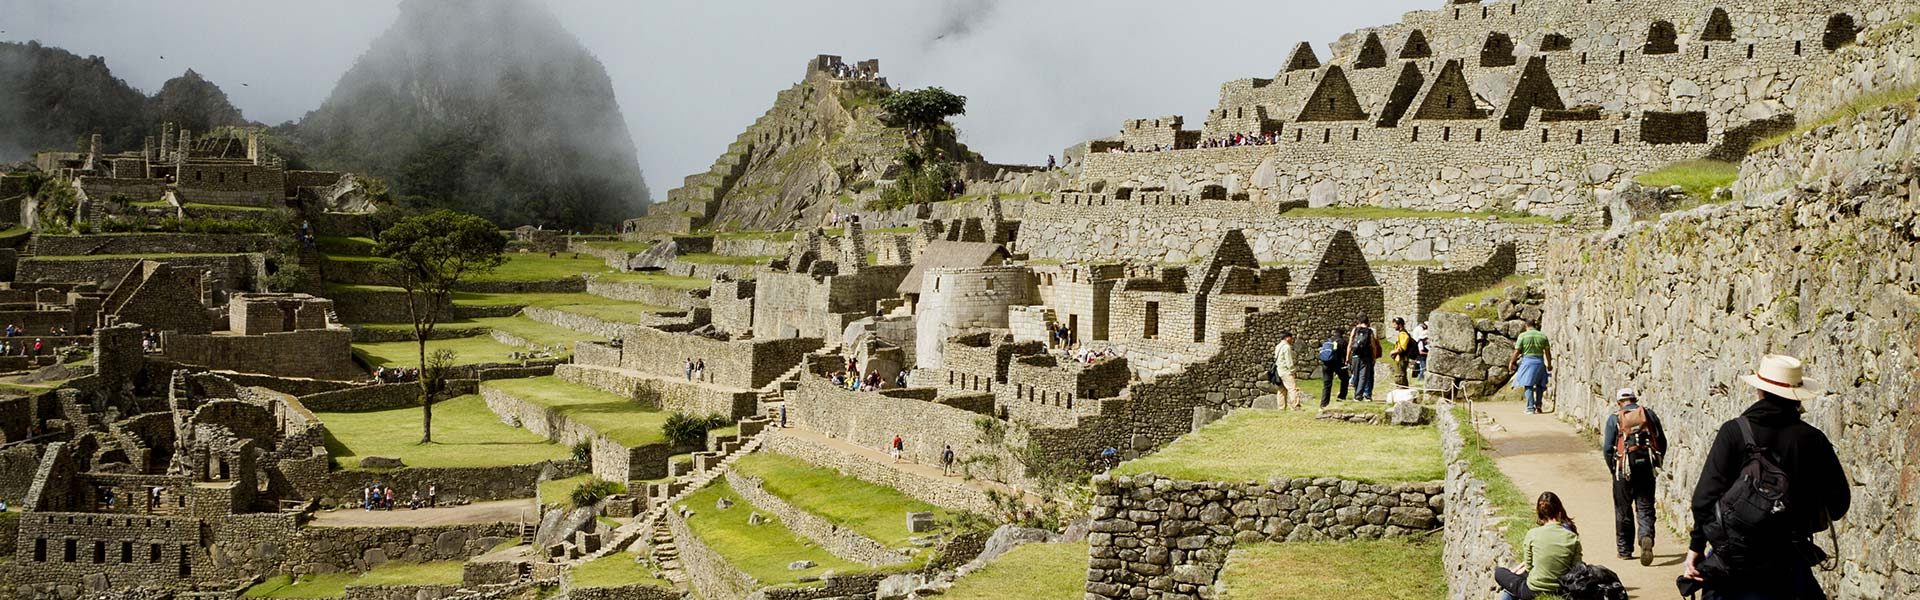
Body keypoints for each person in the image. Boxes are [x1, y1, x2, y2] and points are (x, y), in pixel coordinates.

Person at [1683, 355, 1850, 600]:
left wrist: (1696, 547)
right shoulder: (1813, 439)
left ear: (1760, 390)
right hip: (1789, 564)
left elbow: (1704, 499)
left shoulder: (1734, 431)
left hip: (1735, 563)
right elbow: (1838, 504)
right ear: (1796, 397)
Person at [1603, 387, 1666, 563]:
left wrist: (1613, 468)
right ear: (1634, 399)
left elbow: (1608, 448)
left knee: (1623, 509)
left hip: (1624, 468)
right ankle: (1646, 536)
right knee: (1645, 506)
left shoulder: (1614, 418)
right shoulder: (1648, 414)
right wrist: (1657, 461)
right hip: (1646, 466)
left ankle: (1624, 550)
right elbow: (1661, 440)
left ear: (1619, 402)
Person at [1495, 491, 1583, 600]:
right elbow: (1577, 568)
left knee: (1500, 573)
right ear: (1560, 513)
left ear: (1540, 514)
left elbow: (1528, 567)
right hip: (1561, 588)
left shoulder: (1532, 534)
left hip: (1533, 589)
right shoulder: (1572, 537)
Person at [1508, 321, 1552, 413]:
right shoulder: (1542, 336)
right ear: (1535, 325)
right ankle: (1539, 405)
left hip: (1527, 362)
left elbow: (1517, 351)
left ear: (1526, 326)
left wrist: (1512, 362)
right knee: (1540, 385)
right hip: (1540, 362)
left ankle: (1530, 408)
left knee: (1528, 385)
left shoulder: (1523, 336)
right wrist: (1549, 364)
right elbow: (1547, 352)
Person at [1346, 317, 1381, 402]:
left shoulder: (1355, 330)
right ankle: (1358, 396)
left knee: (1356, 375)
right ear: (1367, 322)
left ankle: (1356, 394)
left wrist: (1347, 357)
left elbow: (1350, 344)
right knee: (1363, 376)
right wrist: (1374, 357)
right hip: (1366, 357)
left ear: (1359, 321)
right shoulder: (1369, 331)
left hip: (1355, 356)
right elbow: (1373, 346)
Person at [1318, 327, 1349, 407]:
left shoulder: (1328, 340)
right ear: (1342, 334)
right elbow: (1344, 354)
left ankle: (1324, 403)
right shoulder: (1342, 341)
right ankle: (1341, 396)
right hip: (1337, 364)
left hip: (1326, 364)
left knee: (1327, 384)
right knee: (1345, 379)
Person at [1272, 331, 1303, 410]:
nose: (1292, 340)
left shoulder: (1278, 346)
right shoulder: (1286, 347)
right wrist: (1293, 371)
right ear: (1287, 338)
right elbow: (1288, 361)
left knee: (1281, 390)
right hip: (1286, 371)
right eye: (1291, 338)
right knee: (1292, 388)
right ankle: (1295, 406)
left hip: (1279, 371)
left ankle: (1281, 407)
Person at [1390, 317, 1415, 387]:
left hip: (1402, 359)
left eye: (1395, 325)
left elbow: (1402, 348)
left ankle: (1402, 391)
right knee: (1400, 376)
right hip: (1400, 359)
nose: (1394, 326)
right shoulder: (1401, 333)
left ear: (1400, 325)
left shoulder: (1403, 334)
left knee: (1400, 377)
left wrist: (1392, 352)